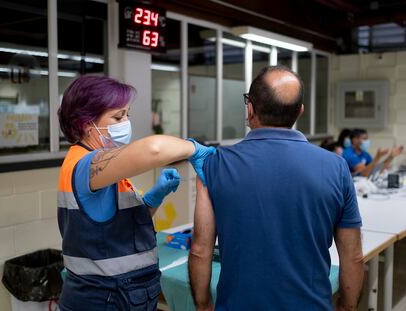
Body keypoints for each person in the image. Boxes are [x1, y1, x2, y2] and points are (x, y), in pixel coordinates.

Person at [188, 66, 364, 311]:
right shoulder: (336, 167)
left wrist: (203, 304)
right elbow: (353, 256)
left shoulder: (214, 164)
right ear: (300, 112)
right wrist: (347, 306)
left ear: (250, 108)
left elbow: (200, 250)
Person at [57, 75, 215, 310]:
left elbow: (115, 225)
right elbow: (154, 149)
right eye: (118, 116)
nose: (126, 122)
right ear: (87, 124)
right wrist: (194, 148)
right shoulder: (87, 166)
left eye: (127, 114)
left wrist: (153, 197)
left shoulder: (102, 169)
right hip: (105, 299)